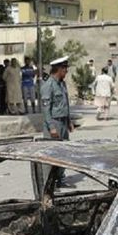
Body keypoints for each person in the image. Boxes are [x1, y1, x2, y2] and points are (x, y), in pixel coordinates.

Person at [41, 56, 73, 187]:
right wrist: (52, 127)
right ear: (59, 69)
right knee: (51, 154)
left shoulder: (62, 84)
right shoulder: (48, 85)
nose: (66, 72)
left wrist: (69, 121)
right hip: (54, 123)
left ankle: (59, 177)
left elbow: (66, 104)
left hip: (63, 123)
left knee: (64, 152)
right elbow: (45, 109)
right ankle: (47, 183)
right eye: (65, 69)